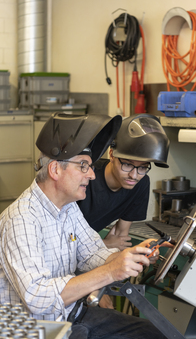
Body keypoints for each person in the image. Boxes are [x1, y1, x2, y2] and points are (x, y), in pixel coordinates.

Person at [0, 112, 168, 339]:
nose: (91, 174)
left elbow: (93, 254)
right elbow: (38, 299)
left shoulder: (68, 208)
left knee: (151, 334)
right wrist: (109, 271)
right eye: (83, 166)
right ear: (55, 170)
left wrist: (128, 257)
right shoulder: (21, 219)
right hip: (28, 327)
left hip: (68, 314)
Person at [78, 114, 170, 250]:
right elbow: (59, 238)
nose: (134, 176)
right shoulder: (85, 177)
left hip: (85, 252)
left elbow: (120, 237)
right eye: (127, 164)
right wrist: (103, 245)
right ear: (111, 155)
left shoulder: (141, 184)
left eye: (143, 167)